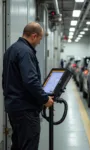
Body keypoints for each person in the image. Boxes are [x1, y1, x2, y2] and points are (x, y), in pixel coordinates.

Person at [2, 22, 54, 150]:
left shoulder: (11, 49)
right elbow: (30, 80)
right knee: (29, 145)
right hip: (26, 109)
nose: (39, 42)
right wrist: (45, 99)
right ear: (34, 36)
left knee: (18, 144)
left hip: (14, 107)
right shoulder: (26, 52)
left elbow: (5, 79)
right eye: (40, 39)